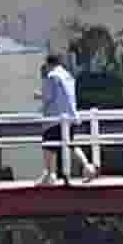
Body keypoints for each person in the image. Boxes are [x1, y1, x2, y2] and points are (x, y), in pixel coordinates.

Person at [39, 50, 85, 183]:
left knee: (48, 145)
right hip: (69, 116)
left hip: (55, 117)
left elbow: (48, 97)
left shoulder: (52, 76)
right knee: (70, 144)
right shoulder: (68, 75)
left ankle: (49, 175)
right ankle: (88, 166)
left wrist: (39, 96)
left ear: (49, 64)